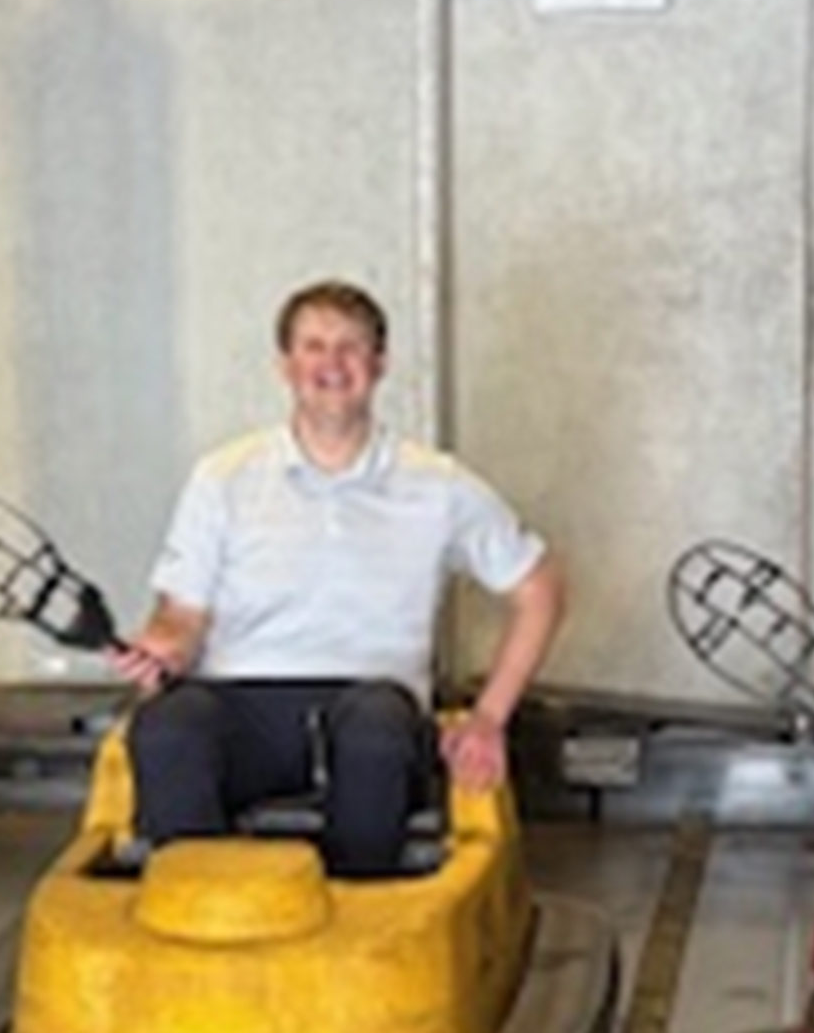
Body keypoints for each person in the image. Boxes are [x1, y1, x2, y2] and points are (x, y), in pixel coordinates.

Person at [108, 279, 563, 878]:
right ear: (285, 365)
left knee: (374, 734)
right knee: (166, 729)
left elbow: (540, 589)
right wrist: (163, 647)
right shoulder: (224, 477)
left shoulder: (437, 484)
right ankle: (202, 913)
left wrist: (489, 718)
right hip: (244, 702)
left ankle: (360, 921)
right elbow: (181, 617)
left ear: (379, 365)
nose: (331, 365)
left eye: (349, 348)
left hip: (373, 705)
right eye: (313, 347)